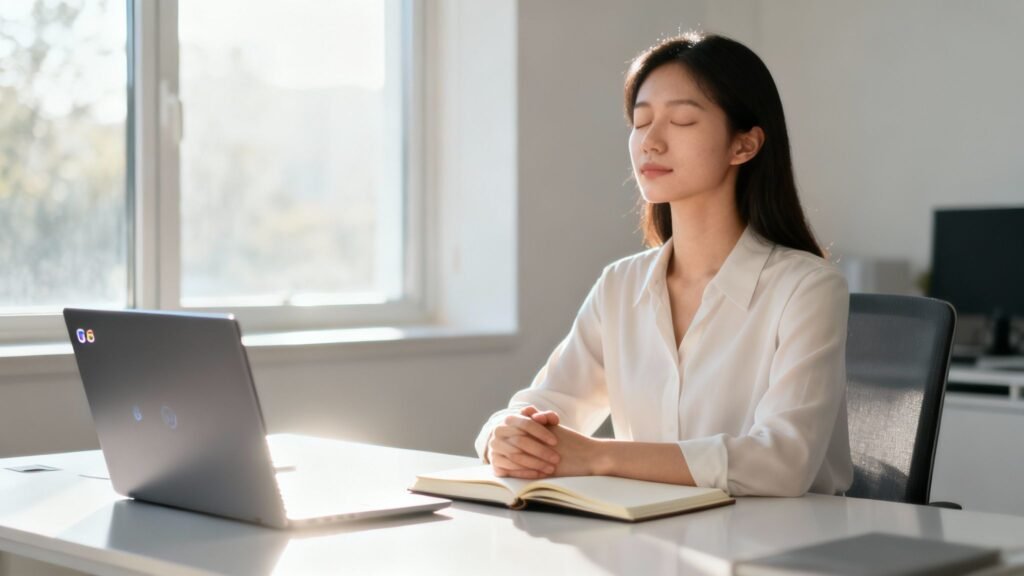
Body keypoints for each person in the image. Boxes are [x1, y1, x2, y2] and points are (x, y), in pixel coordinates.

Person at [474, 32, 853, 497]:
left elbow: (782, 462)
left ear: (744, 145)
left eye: (682, 121)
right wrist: (505, 435)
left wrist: (598, 456)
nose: (650, 142)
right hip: (650, 541)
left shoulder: (807, 288)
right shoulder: (621, 285)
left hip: (786, 552)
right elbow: (547, 404)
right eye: (640, 122)